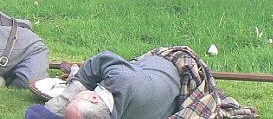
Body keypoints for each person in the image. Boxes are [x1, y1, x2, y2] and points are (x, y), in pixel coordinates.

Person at [41, 46, 256, 119]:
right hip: (173, 71)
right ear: (95, 97)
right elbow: (103, 58)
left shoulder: (122, 85)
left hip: (169, 74)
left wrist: (75, 88)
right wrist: (77, 87)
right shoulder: (121, 79)